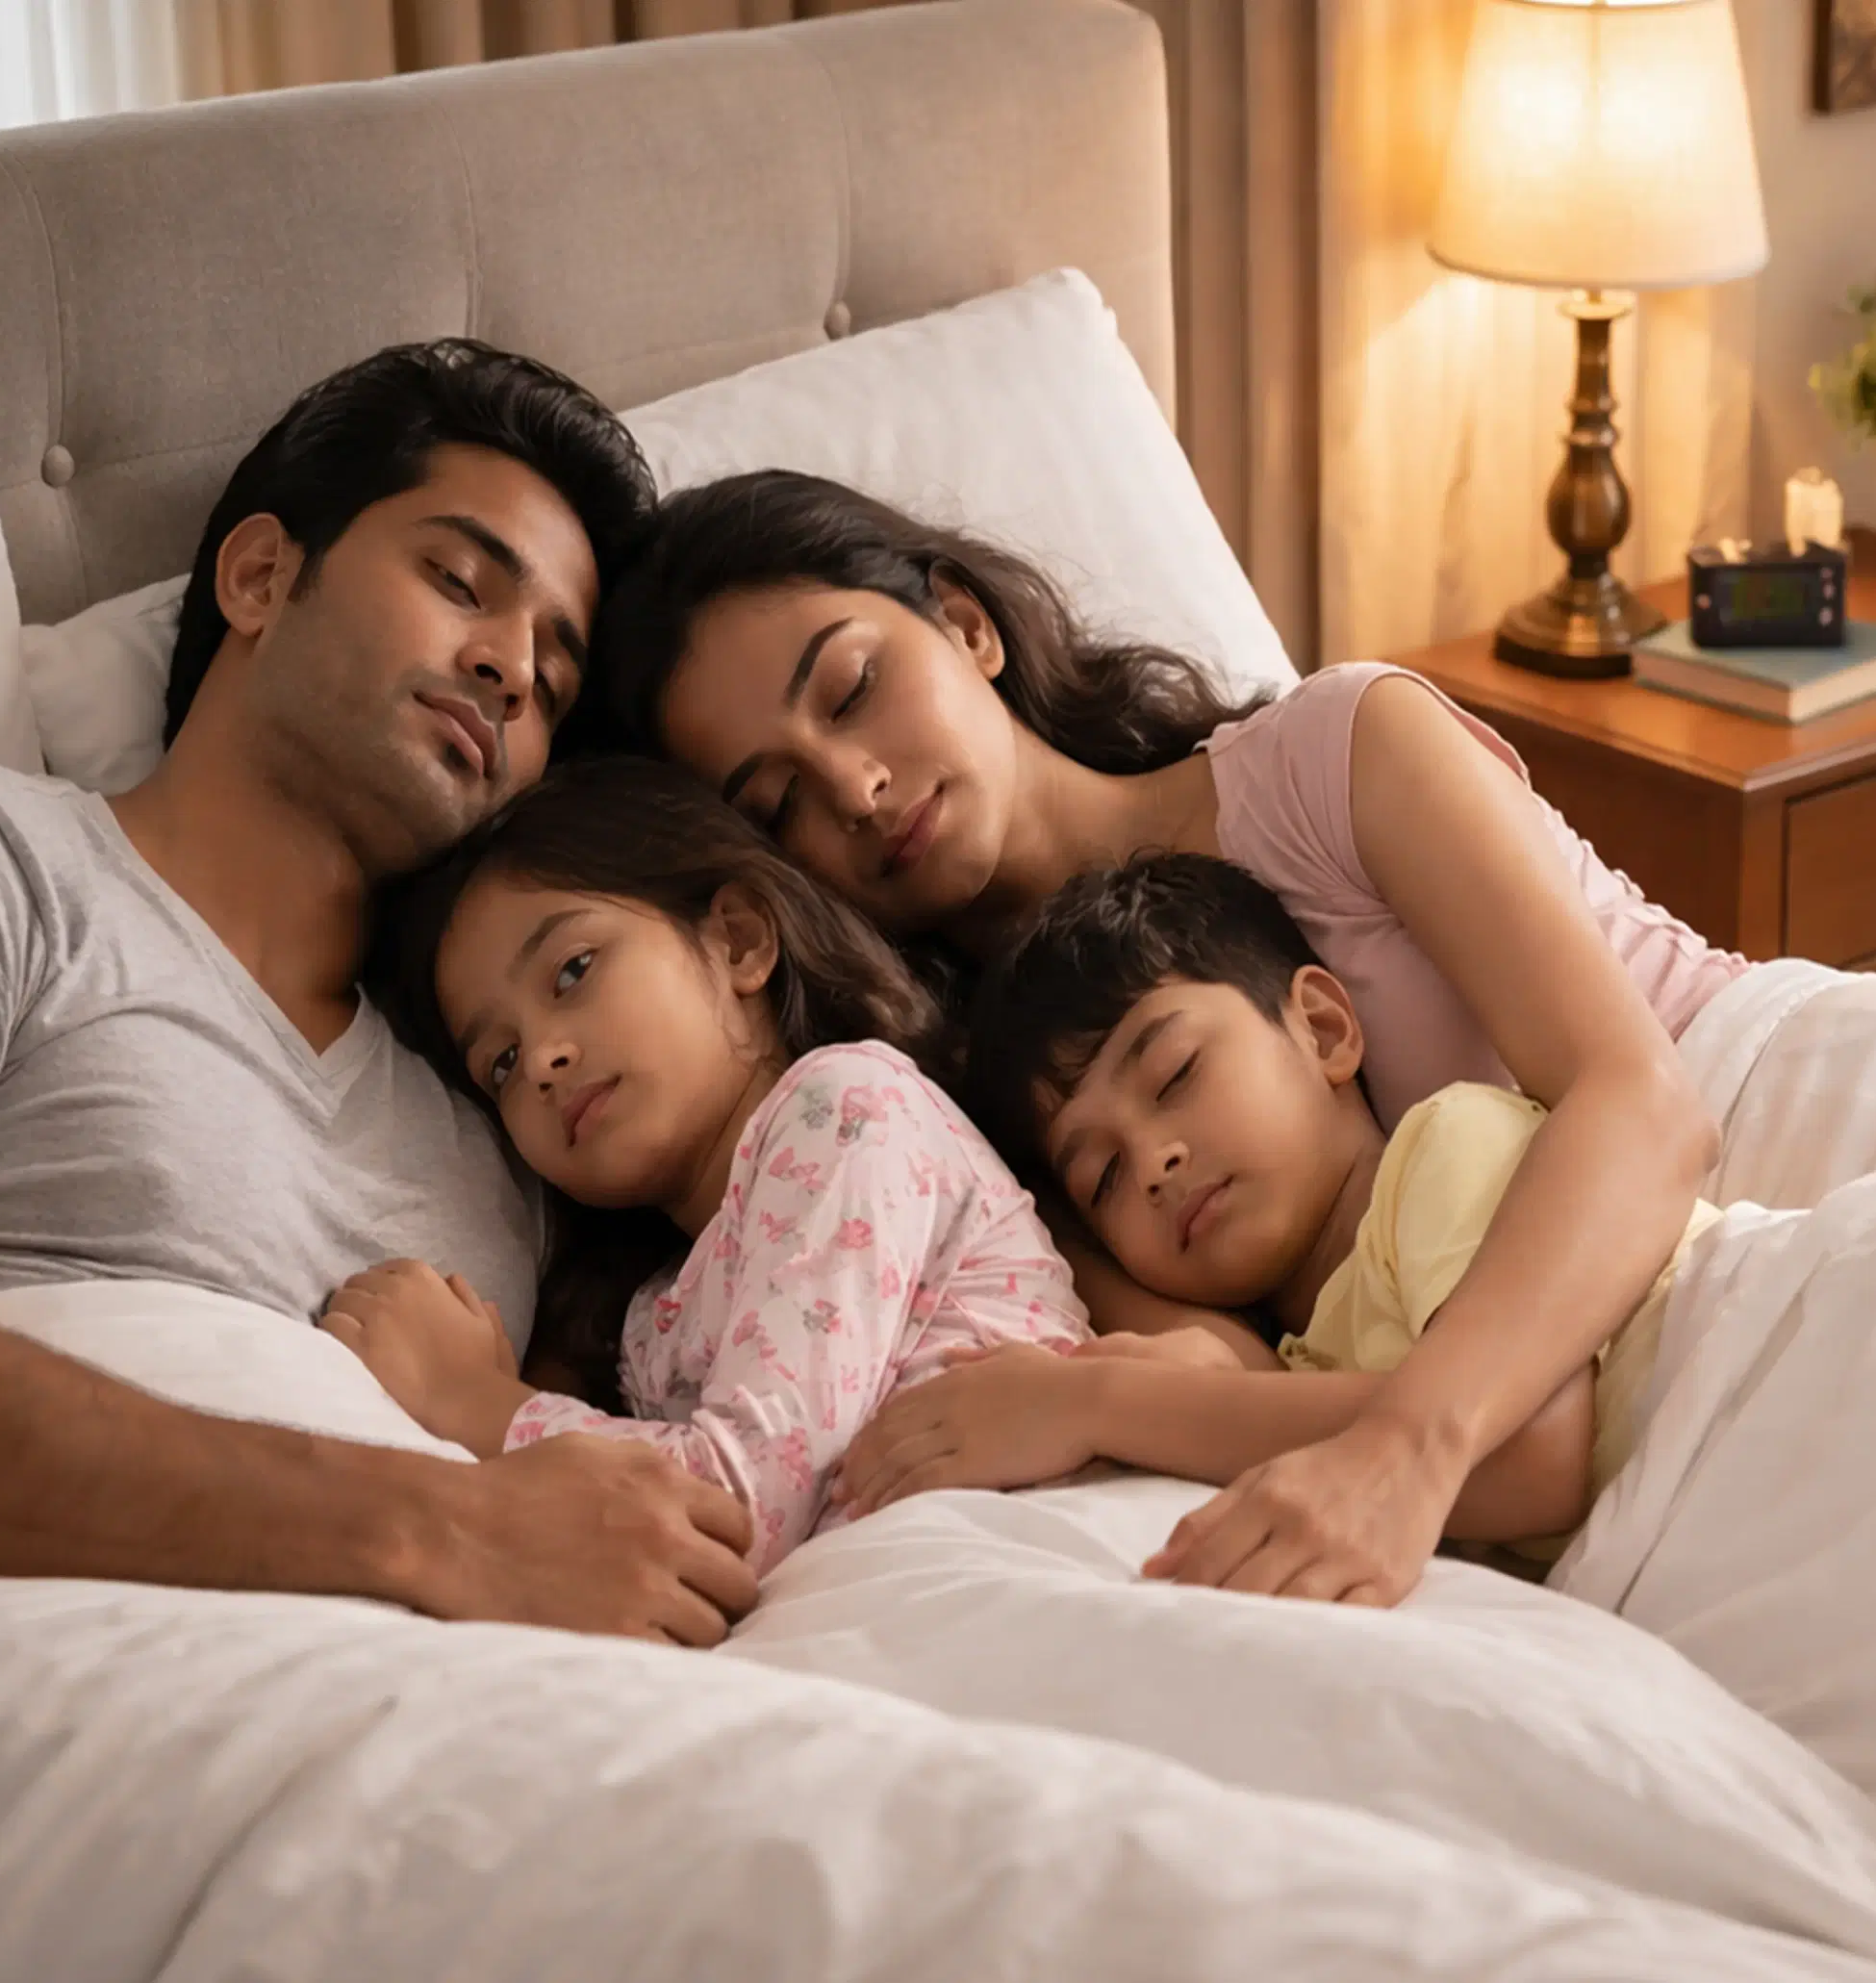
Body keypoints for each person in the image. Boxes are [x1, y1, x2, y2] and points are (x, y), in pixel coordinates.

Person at [0, 341, 762, 1646]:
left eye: (553, 680)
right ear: (262, 575)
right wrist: (441, 1527)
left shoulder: (515, 1116)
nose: (510, 666)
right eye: (460, 583)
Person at [586, 470, 1731, 1605]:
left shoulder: (1331, 755)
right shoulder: (997, 1133)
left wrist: (1412, 1444)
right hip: (1603, 1415)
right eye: (777, 802)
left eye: (850, 690)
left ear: (967, 623)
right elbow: (1230, 1386)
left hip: (1759, 1120)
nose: (857, 786)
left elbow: (1642, 1100)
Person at [825, 853, 1688, 1586]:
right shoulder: (1307, 1367)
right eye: (1104, 1175)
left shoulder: (1448, 1144)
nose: (1155, 1162)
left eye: (1174, 1075)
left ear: (1319, 1026)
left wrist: (1098, 1402)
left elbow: (1530, 1455)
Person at [323, 756, 1095, 1573]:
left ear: (738, 939)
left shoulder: (845, 1106)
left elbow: (736, 1506)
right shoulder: (651, 1318)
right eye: (501, 1062)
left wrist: (473, 1401)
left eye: (574, 970)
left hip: (1031, 1554)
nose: (543, 1057)